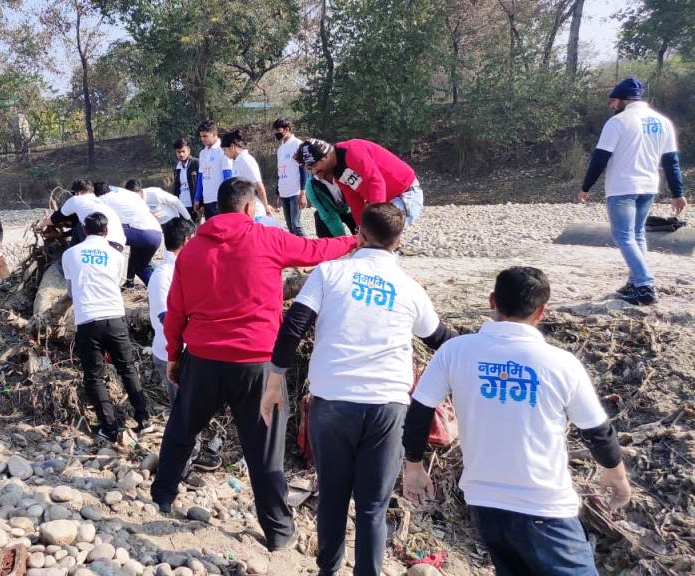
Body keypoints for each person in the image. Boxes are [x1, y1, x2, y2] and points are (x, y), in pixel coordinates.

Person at [152, 178, 358, 551]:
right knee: (264, 450)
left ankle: (162, 497)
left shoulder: (192, 249)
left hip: (203, 358)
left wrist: (173, 355)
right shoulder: (267, 238)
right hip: (257, 362)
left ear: (217, 208)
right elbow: (314, 250)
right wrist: (354, 241)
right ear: (250, 207)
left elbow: (176, 311)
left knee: (182, 429)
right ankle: (278, 532)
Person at [263, 203, 457, 576]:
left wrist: (274, 383)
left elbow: (293, 328)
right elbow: (441, 340)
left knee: (333, 498)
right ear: (399, 241)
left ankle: (328, 570)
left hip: (332, 403)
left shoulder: (329, 273)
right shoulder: (409, 288)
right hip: (387, 408)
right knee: (372, 507)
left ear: (360, 235)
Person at [403, 266, 632, 575]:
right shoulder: (561, 363)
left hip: (485, 504)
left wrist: (414, 466)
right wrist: (615, 473)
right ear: (541, 311)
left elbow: (419, 410)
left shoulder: (455, 351)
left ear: (492, 301)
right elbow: (597, 430)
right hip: (544, 507)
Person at [578, 77, 686, 306]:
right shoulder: (663, 122)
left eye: (613, 101)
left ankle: (645, 285)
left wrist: (586, 187)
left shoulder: (618, 122)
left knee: (623, 235)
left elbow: (600, 158)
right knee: (637, 235)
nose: (611, 105)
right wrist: (678, 193)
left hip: (622, 187)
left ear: (624, 100)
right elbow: (671, 161)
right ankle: (634, 282)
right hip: (649, 186)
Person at [62, 212, 152, 441]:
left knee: (94, 376)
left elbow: (71, 291)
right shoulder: (116, 255)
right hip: (114, 317)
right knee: (127, 368)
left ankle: (109, 428)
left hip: (88, 319)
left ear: (84, 230)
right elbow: (116, 283)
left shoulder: (70, 254)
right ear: (106, 231)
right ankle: (144, 419)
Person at [147, 217, 221, 485]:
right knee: (184, 414)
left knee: (194, 409)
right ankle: (180, 468)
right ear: (188, 241)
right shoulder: (163, 275)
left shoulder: (185, 267)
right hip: (173, 354)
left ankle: (194, 453)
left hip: (193, 353)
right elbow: (165, 318)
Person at [295, 138, 424, 227]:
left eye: (314, 166)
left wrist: (374, 219)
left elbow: (376, 182)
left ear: (326, 156)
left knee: (381, 231)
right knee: (372, 237)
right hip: (386, 200)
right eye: (309, 170)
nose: (314, 172)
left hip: (405, 193)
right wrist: (361, 227)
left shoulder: (352, 151)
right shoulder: (336, 169)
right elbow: (354, 199)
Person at [94, 181, 163, 289]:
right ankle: (159, 285)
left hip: (143, 233)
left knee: (102, 233)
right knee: (141, 265)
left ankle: (104, 279)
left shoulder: (102, 199)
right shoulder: (121, 192)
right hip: (156, 232)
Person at [39, 179, 127, 249]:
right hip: (118, 246)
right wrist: (63, 234)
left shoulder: (76, 199)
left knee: (80, 226)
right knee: (80, 225)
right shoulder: (100, 203)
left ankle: (72, 254)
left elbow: (56, 217)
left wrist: (40, 225)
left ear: (78, 193)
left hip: (103, 246)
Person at [220, 129, 272, 221]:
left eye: (225, 150)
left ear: (232, 146)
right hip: (243, 212)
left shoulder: (246, 161)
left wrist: (266, 206)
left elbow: (259, 186)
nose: (224, 153)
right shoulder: (236, 162)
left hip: (255, 212)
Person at [273, 118, 307, 236]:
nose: (276, 134)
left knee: (296, 225)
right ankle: (296, 248)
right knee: (290, 227)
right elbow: (280, 171)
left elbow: (303, 170)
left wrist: (303, 192)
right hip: (284, 192)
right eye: (275, 132)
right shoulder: (280, 149)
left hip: (295, 192)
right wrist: (277, 193)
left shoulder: (298, 144)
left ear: (287, 129)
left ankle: (307, 247)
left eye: (278, 131)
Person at [193, 120, 232, 219]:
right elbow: (201, 177)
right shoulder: (202, 153)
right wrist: (197, 198)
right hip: (207, 201)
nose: (202, 139)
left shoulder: (223, 150)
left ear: (214, 134)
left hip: (219, 201)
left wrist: (226, 198)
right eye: (201, 136)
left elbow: (228, 176)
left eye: (205, 136)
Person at [125, 179, 192, 225]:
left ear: (139, 190)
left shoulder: (154, 193)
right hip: (156, 226)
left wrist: (188, 219)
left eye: (134, 195)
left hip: (171, 221)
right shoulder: (132, 201)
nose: (133, 199)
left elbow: (175, 201)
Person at [172, 138, 200, 221]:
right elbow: (177, 188)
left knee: (196, 227)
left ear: (188, 150)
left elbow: (201, 183)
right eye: (178, 152)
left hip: (194, 205)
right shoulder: (177, 168)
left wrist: (200, 201)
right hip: (182, 205)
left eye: (183, 151)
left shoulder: (196, 163)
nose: (181, 154)